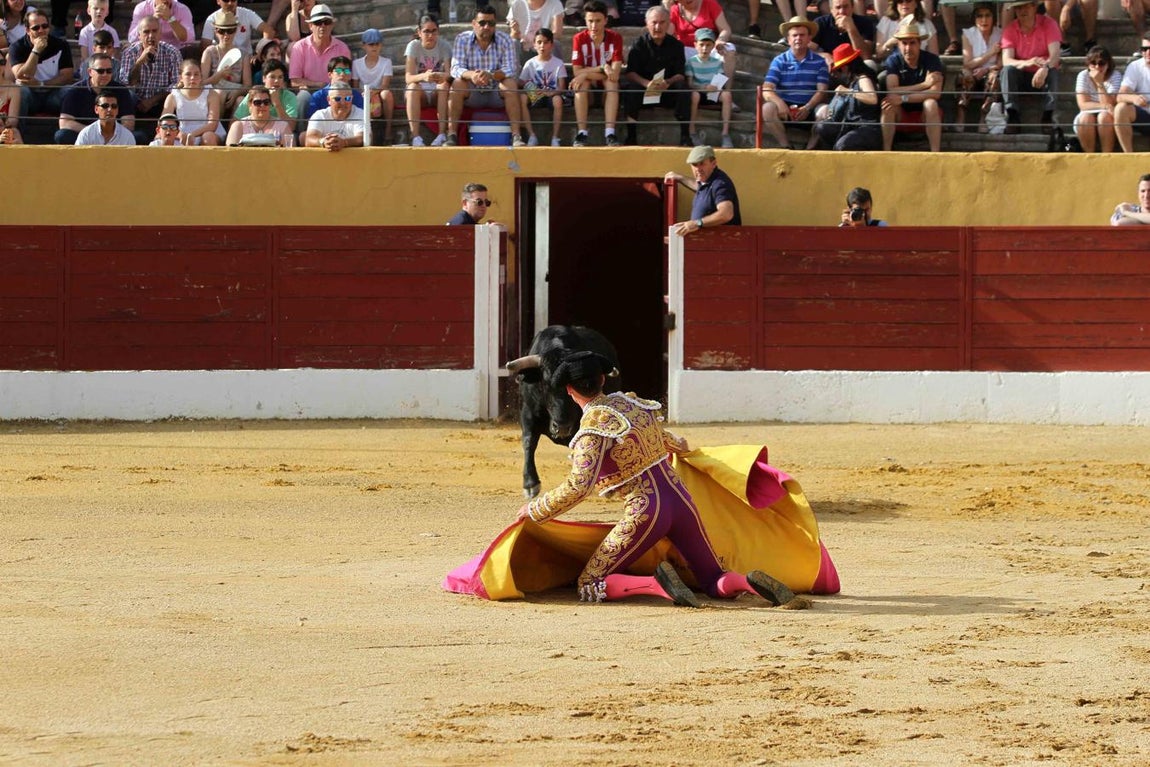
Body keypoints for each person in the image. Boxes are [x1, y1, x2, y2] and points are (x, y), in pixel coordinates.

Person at [513, 350, 795, 609]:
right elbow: (676, 443)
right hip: (682, 501)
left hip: (646, 510)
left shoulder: (592, 430)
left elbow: (579, 486)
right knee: (713, 577)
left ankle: (656, 584)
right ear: (602, 379)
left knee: (590, 582)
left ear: (569, 390)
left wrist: (536, 509)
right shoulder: (632, 404)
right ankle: (746, 582)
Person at [447, 5, 522, 147]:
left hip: (496, 92)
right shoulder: (462, 39)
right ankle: (451, 135)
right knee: (457, 84)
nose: (487, 27)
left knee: (510, 84)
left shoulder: (505, 40)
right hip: (472, 92)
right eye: (482, 23)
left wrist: (491, 75)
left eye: (491, 23)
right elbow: (455, 68)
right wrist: (472, 75)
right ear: (473, 23)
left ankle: (516, 136)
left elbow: (511, 69)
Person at [621, 4, 691, 147]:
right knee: (631, 89)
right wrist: (647, 83)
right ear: (647, 24)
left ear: (669, 24)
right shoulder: (639, 44)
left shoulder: (677, 45)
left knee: (683, 88)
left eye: (662, 22)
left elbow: (680, 74)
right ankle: (631, 136)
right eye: (654, 23)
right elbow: (630, 73)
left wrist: (668, 82)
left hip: (667, 91)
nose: (658, 27)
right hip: (645, 91)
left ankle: (685, 136)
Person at [760, 17, 828, 150]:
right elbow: (767, 88)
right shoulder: (779, 61)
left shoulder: (820, 62)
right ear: (788, 39)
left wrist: (808, 108)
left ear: (809, 38)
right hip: (785, 110)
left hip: (810, 108)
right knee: (767, 108)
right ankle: (786, 146)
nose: (798, 38)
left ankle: (810, 149)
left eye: (802, 35)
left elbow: (822, 90)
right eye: (794, 35)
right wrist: (780, 104)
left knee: (826, 111)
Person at [880, 18, 943, 152]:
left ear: (919, 43)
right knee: (888, 105)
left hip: (925, 112)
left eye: (912, 43)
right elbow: (892, 89)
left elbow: (935, 93)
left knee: (931, 103)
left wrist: (903, 97)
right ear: (898, 45)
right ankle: (886, 151)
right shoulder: (893, 60)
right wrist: (924, 85)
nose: (908, 48)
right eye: (904, 43)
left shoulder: (932, 60)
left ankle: (935, 153)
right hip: (901, 112)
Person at [1000, 0, 1061, 135]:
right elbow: (1006, 60)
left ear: (1034, 7)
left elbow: (1055, 55)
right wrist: (1026, 63)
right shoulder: (1010, 29)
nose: (1022, 11)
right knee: (1007, 71)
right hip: (1021, 76)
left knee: (1053, 72)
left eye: (1026, 6)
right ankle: (1012, 116)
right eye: (1018, 8)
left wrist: (1045, 68)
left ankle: (1048, 116)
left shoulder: (1049, 24)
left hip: (1043, 74)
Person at [569, 0, 623, 147]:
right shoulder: (578, 38)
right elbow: (576, 71)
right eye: (590, 21)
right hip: (590, 93)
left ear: (606, 20)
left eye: (598, 21)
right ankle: (582, 133)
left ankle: (610, 133)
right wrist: (603, 67)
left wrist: (585, 73)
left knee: (611, 83)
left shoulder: (615, 38)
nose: (594, 26)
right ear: (585, 21)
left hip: (607, 90)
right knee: (581, 84)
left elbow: (615, 74)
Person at [119, 14, 183, 134]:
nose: (150, 36)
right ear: (139, 35)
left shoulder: (172, 53)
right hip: (136, 103)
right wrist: (140, 61)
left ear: (160, 33)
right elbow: (127, 83)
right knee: (127, 96)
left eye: (154, 31)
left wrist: (153, 100)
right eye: (146, 32)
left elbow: (177, 84)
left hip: (162, 102)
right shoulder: (129, 53)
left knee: (176, 95)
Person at [8, 9, 75, 121]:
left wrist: (41, 84)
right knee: (20, 91)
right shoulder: (17, 47)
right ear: (27, 30)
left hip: (53, 93)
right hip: (30, 95)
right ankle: (17, 130)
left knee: (70, 91)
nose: (41, 30)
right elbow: (22, 75)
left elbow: (67, 76)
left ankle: (67, 128)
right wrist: (36, 51)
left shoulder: (61, 45)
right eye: (36, 28)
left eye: (44, 26)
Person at [57, 52, 135, 144]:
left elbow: (129, 123)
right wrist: (92, 133)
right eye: (101, 71)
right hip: (84, 137)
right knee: (62, 135)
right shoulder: (75, 91)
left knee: (138, 136)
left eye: (109, 71)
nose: (105, 74)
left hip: (115, 137)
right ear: (90, 72)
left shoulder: (121, 90)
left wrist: (113, 135)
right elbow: (64, 122)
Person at [813, 43, 881, 150]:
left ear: (845, 68)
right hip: (849, 125)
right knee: (822, 127)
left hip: (867, 127)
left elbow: (872, 98)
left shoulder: (863, 79)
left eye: (838, 70)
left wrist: (849, 92)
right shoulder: (851, 82)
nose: (836, 74)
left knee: (843, 145)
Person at [663, 144, 741, 236]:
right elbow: (700, 187)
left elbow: (726, 214)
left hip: (721, 242)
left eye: (702, 164)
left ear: (713, 164)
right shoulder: (706, 182)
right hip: (707, 242)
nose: (698, 169)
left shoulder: (720, 183)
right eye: (694, 165)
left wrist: (697, 223)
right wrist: (680, 178)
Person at [666, 0, 737, 99]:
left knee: (729, 49)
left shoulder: (710, 3)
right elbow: (667, 35)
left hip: (709, 47)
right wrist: (667, 12)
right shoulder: (675, 9)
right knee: (671, 50)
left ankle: (725, 94)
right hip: (686, 49)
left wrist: (720, 40)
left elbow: (725, 29)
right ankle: (682, 96)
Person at [404, 13, 452, 147]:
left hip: (437, 88)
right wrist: (424, 76)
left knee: (444, 86)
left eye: (433, 31)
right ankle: (415, 136)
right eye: (426, 31)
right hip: (421, 91)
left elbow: (450, 74)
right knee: (412, 88)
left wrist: (441, 76)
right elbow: (408, 77)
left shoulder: (444, 46)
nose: (430, 35)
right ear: (419, 32)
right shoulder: (413, 46)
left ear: (438, 31)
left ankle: (442, 134)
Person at [955, 2, 1000, 133]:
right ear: (974, 18)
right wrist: (990, 53)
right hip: (972, 72)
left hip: (990, 71)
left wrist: (986, 69)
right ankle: (961, 115)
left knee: (995, 76)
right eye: (979, 16)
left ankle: (984, 116)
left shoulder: (1000, 34)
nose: (984, 20)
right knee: (964, 75)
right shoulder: (968, 34)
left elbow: (1001, 63)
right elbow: (967, 63)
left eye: (987, 15)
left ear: (993, 17)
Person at [288, 4, 351, 97]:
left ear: (332, 25)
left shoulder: (342, 48)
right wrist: (317, 85)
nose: (322, 26)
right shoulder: (299, 47)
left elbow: (347, 77)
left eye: (327, 22)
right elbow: (294, 81)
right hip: (310, 93)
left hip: (335, 93)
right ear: (310, 26)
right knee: (303, 96)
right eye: (318, 22)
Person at [518, 28, 566, 146]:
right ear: (534, 44)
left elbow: (562, 87)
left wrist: (552, 93)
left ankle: (555, 137)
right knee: (522, 97)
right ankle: (531, 135)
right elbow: (520, 82)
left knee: (558, 100)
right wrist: (531, 87)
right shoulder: (530, 63)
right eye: (539, 42)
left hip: (551, 95)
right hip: (536, 95)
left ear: (551, 45)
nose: (542, 46)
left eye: (546, 42)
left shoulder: (558, 63)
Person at [686, 28, 733, 148]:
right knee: (694, 95)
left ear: (712, 46)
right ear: (695, 45)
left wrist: (716, 87)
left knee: (727, 95)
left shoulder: (717, 62)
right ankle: (692, 131)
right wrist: (703, 87)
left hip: (713, 92)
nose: (704, 48)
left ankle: (725, 134)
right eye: (701, 45)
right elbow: (690, 84)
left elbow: (720, 79)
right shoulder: (691, 62)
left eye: (708, 45)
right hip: (699, 92)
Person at [163, 56, 224, 145]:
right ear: (181, 78)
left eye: (196, 74)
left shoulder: (211, 94)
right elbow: (164, 123)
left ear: (201, 77)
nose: (192, 77)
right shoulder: (173, 96)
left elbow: (212, 124)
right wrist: (179, 135)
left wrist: (192, 135)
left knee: (208, 137)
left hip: (207, 132)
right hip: (182, 133)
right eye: (188, 74)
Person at [201, 10, 251, 115]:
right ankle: (217, 124)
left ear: (235, 31)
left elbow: (247, 85)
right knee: (219, 94)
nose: (226, 35)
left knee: (241, 100)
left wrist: (237, 93)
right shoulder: (209, 52)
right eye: (222, 31)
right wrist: (218, 76)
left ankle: (233, 125)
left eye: (230, 31)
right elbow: (202, 83)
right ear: (216, 31)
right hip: (214, 93)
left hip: (235, 91)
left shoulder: (243, 54)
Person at [1075, 45, 1120, 153]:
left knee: (1104, 117)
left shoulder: (1115, 75)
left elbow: (1111, 102)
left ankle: (1106, 155)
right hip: (1088, 113)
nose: (1097, 67)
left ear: (1108, 64)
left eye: (1101, 63)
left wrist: (1099, 83)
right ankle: (1089, 156)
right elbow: (1083, 104)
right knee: (1086, 118)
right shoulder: (1083, 75)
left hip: (1107, 115)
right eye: (1093, 63)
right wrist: (1104, 106)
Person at [352, 28, 394, 144]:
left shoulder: (386, 62)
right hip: (362, 94)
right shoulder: (356, 64)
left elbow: (385, 84)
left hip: (379, 94)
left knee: (387, 94)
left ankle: (388, 130)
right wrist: (365, 94)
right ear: (364, 46)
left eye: (377, 44)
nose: (374, 47)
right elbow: (355, 86)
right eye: (371, 44)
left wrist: (373, 93)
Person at [810, 0, 876, 67]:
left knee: (870, 64)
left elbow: (866, 55)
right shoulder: (821, 23)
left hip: (855, 64)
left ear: (852, 7)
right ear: (831, 9)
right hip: (830, 64)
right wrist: (824, 55)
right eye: (838, 7)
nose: (842, 11)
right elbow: (807, 50)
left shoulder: (864, 23)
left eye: (846, 6)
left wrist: (851, 28)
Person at [304, 80, 364, 151]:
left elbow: (363, 138)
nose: (343, 103)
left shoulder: (360, 113)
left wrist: (344, 142)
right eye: (337, 99)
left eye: (347, 98)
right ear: (328, 100)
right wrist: (323, 142)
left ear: (352, 99)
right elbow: (309, 139)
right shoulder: (320, 115)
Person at [1114, 35, 1150, 153]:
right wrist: (1134, 98)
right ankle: (1128, 156)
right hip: (1145, 115)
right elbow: (1120, 96)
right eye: (1144, 49)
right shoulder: (1135, 66)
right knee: (1121, 108)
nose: (1147, 53)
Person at [225, 83, 292, 144]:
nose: (262, 105)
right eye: (257, 102)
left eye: (266, 102)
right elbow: (230, 152)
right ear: (250, 105)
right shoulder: (238, 126)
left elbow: (290, 151)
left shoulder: (283, 126)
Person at [201, 0, 271, 56]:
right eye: (226, 0)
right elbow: (205, 45)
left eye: (233, 0)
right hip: (222, 59)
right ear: (218, 1)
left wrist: (260, 53)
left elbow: (268, 30)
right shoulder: (212, 19)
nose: (230, 3)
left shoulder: (247, 14)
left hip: (246, 58)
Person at [128, 0, 193, 53]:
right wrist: (152, 19)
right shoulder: (142, 8)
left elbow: (188, 39)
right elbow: (132, 38)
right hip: (148, 49)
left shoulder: (182, 9)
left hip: (175, 50)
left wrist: (170, 19)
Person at [0, 60, 22, 144]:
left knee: (14, 133)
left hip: (3, 128)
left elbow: (13, 120)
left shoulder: (13, 88)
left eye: (2, 62)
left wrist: (3, 124)